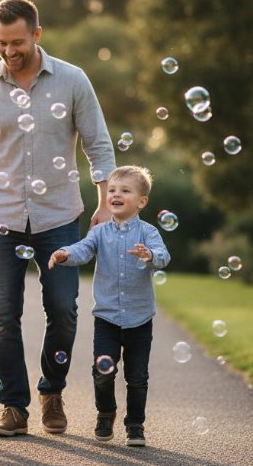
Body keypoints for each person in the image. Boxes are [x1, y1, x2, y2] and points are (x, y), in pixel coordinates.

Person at [0, 0, 116, 437]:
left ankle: (52, 390)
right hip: (1, 217)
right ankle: (13, 407)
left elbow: (98, 144)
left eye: (17, 41)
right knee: (4, 315)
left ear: (37, 34)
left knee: (63, 309)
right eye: (1, 42)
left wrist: (103, 202)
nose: (9, 50)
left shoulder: (73, 80)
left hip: (59, 216)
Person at [48, 165, 170, 447]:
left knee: (137, 377)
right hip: (107, 319)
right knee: (103, 372)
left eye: (125, 191)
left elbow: (164, 257)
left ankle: (135, 425)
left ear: (141, 201)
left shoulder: (148, 232)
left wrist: (150, 254)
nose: (116, 195)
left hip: (140, 320)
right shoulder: (100, 232)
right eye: (112, 190)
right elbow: (83, 249)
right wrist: (65, 253)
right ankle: (105, 414)